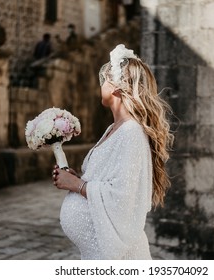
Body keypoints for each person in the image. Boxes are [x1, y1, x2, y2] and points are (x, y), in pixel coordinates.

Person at [52, 44, 174, 260]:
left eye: (104, 80)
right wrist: (77, 179)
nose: (101, 85)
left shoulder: (132, 133)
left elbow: (122, 196)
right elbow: (109, 179)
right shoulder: (114, 129)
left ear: (116, 88)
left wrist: (76, 186)